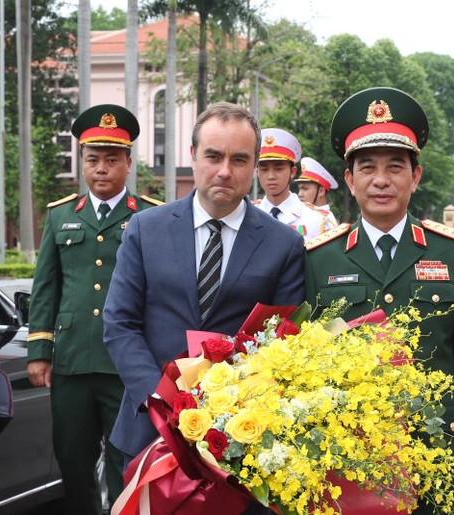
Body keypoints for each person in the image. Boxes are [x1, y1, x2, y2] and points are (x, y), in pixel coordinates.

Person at [304, 87, 454, 514]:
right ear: (349, 179)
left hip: (441, 452)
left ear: (415, 177)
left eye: (396, 167)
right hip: (350, 455)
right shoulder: (319, 259)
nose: (381, 180)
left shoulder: (450, 252)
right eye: (368, 168)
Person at [103, 102, 305, 467]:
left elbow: (284, 343)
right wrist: (160, 399)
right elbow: (119, 324)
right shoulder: (145, 229)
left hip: (242, 441)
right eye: (213, 156)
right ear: (193, 155)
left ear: (254, 165)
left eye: (239, 160)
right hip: (149, 430)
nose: (224, 171)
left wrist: (235, 409)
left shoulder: (283, 244)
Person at [26, 104, 161, 515]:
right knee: (72, 458)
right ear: (82, 163)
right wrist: (38, 352)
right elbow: (46, 286)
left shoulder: (151, 216)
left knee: (127, 458)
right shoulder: (61, 215)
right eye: (92, 159)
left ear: (128, 163)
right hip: (70, 361)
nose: (101, 169)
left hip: (126, 364)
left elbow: (158, 293)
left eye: (111, 159)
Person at [255, 128, 332, 238]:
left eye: (278, 169)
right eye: (264, 169)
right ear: (257, 171)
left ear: (292, 172)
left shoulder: (318, 220)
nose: (271, 176)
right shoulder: (247, 215)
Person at [295, 156, 339, 228]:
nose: (299, 194)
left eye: (305, 189)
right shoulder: (300, 215)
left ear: (321, 191)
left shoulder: (327, 221)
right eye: (299, 189)